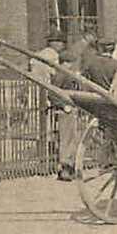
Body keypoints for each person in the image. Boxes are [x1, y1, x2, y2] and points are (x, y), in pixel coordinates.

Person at [32, 32, 78, 180]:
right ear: (67, 62)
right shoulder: (62, 74)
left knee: (66, 139)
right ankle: (64, 169)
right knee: (66, 140)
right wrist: (64, 106)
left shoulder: (61, 72)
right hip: (65, 109)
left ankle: (62, 166)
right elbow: (53, 92)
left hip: (62, 107)